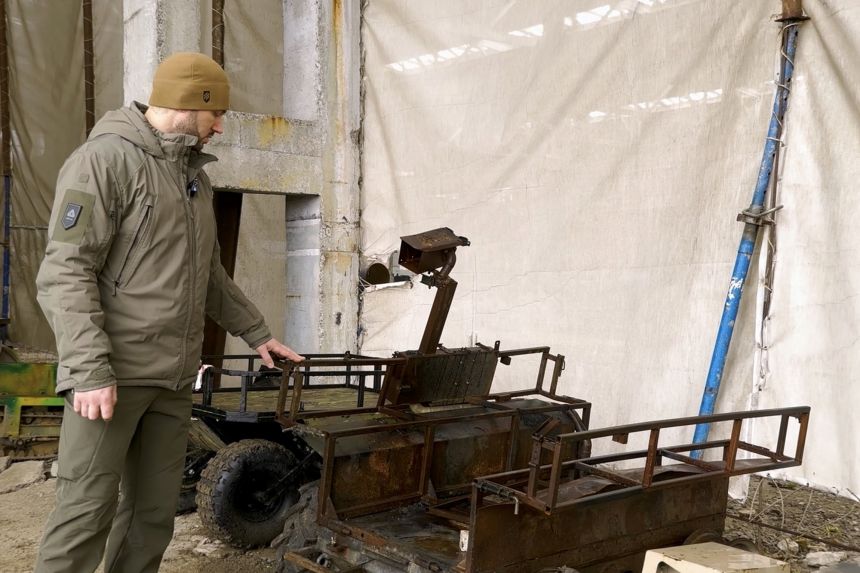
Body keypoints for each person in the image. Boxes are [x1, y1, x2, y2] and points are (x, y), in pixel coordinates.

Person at [33, 52, 303, 573]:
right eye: (215, 114)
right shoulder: (104, 161)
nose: (220, 126)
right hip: (111, 377)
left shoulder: (194, 178)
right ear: (189, 103)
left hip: (174, 380)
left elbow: (209, 277)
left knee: (153, 516)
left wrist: (257, 333)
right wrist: (88, 369)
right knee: (84, 512)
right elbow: (65, 270)